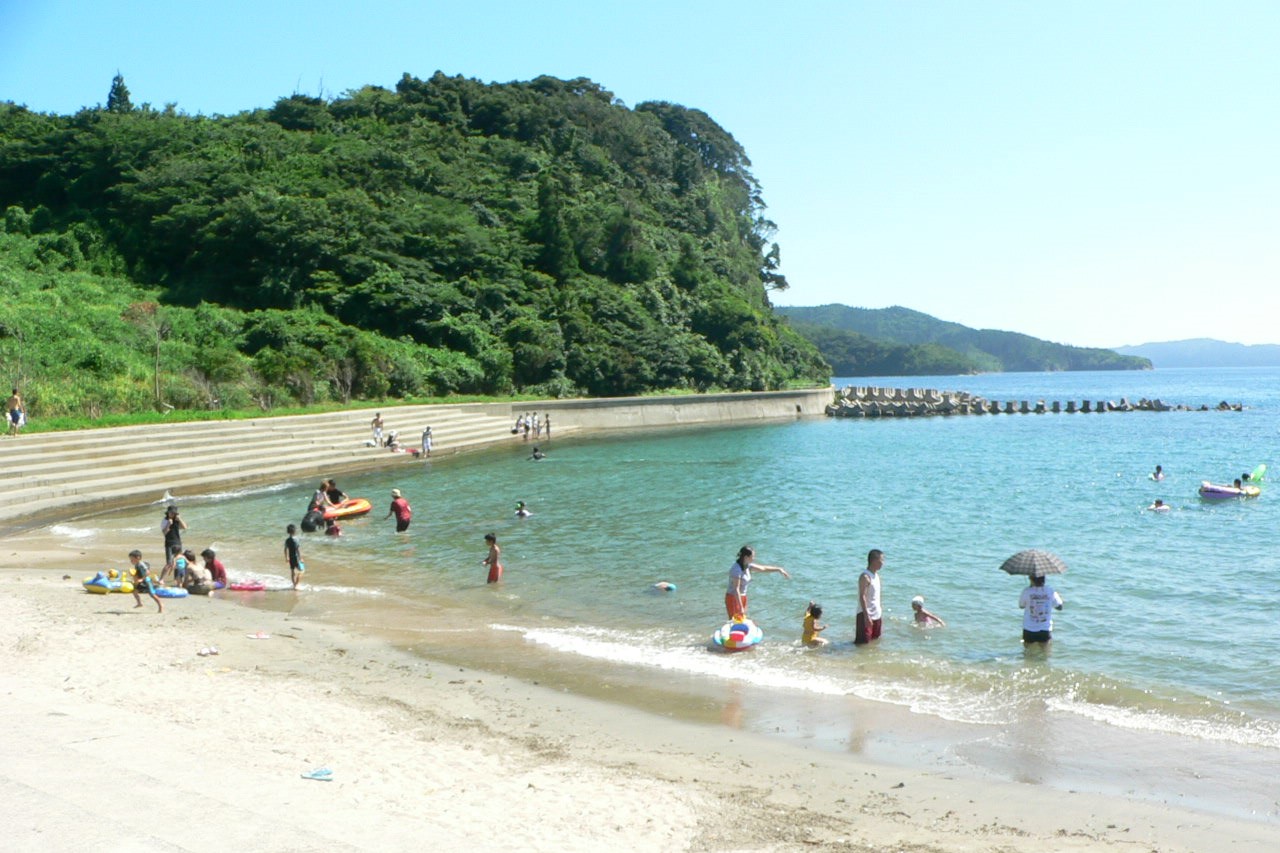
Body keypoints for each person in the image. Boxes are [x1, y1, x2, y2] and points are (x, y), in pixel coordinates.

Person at [724, 545, 790, 619]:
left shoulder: (747, 565)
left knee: (742, 619)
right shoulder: (736, 569)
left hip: (742, 596)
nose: (754, 558)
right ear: (746, 557)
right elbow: (736, 589)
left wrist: (778, 569)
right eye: (752, 556)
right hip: (734, 598)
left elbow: (763, 568)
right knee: (735, 621)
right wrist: (740, 607)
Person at [1019, 574, 1064, 644]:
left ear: (1031, 579)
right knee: (1045, 652)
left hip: (1029, 628)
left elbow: (1021, 606)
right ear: (1044, 580)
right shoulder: (1050, 590)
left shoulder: (1027, 591)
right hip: (1045, 628)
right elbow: (1060, 607)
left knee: (1028, 652)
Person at [855, 549, 884, 645]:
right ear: (874, 561)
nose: (883, 563)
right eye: (881, 560)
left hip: (877, 614)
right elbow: (862, 596)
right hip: (866, 615)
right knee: (862, 644)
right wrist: (866, 616)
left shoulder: (876, 575)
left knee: (875, 642)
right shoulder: (865, 577)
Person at [284, 523, 304, 590]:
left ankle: (294, 584)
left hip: (291, 557)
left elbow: (285, 549)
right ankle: (296, 585)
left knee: (292, 571)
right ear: (294, 531)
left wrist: (286, 557)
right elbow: (298, 549)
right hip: (296, 558)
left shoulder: (287, 540)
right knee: (302, 570)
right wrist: (301, 558)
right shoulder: (296, 539)